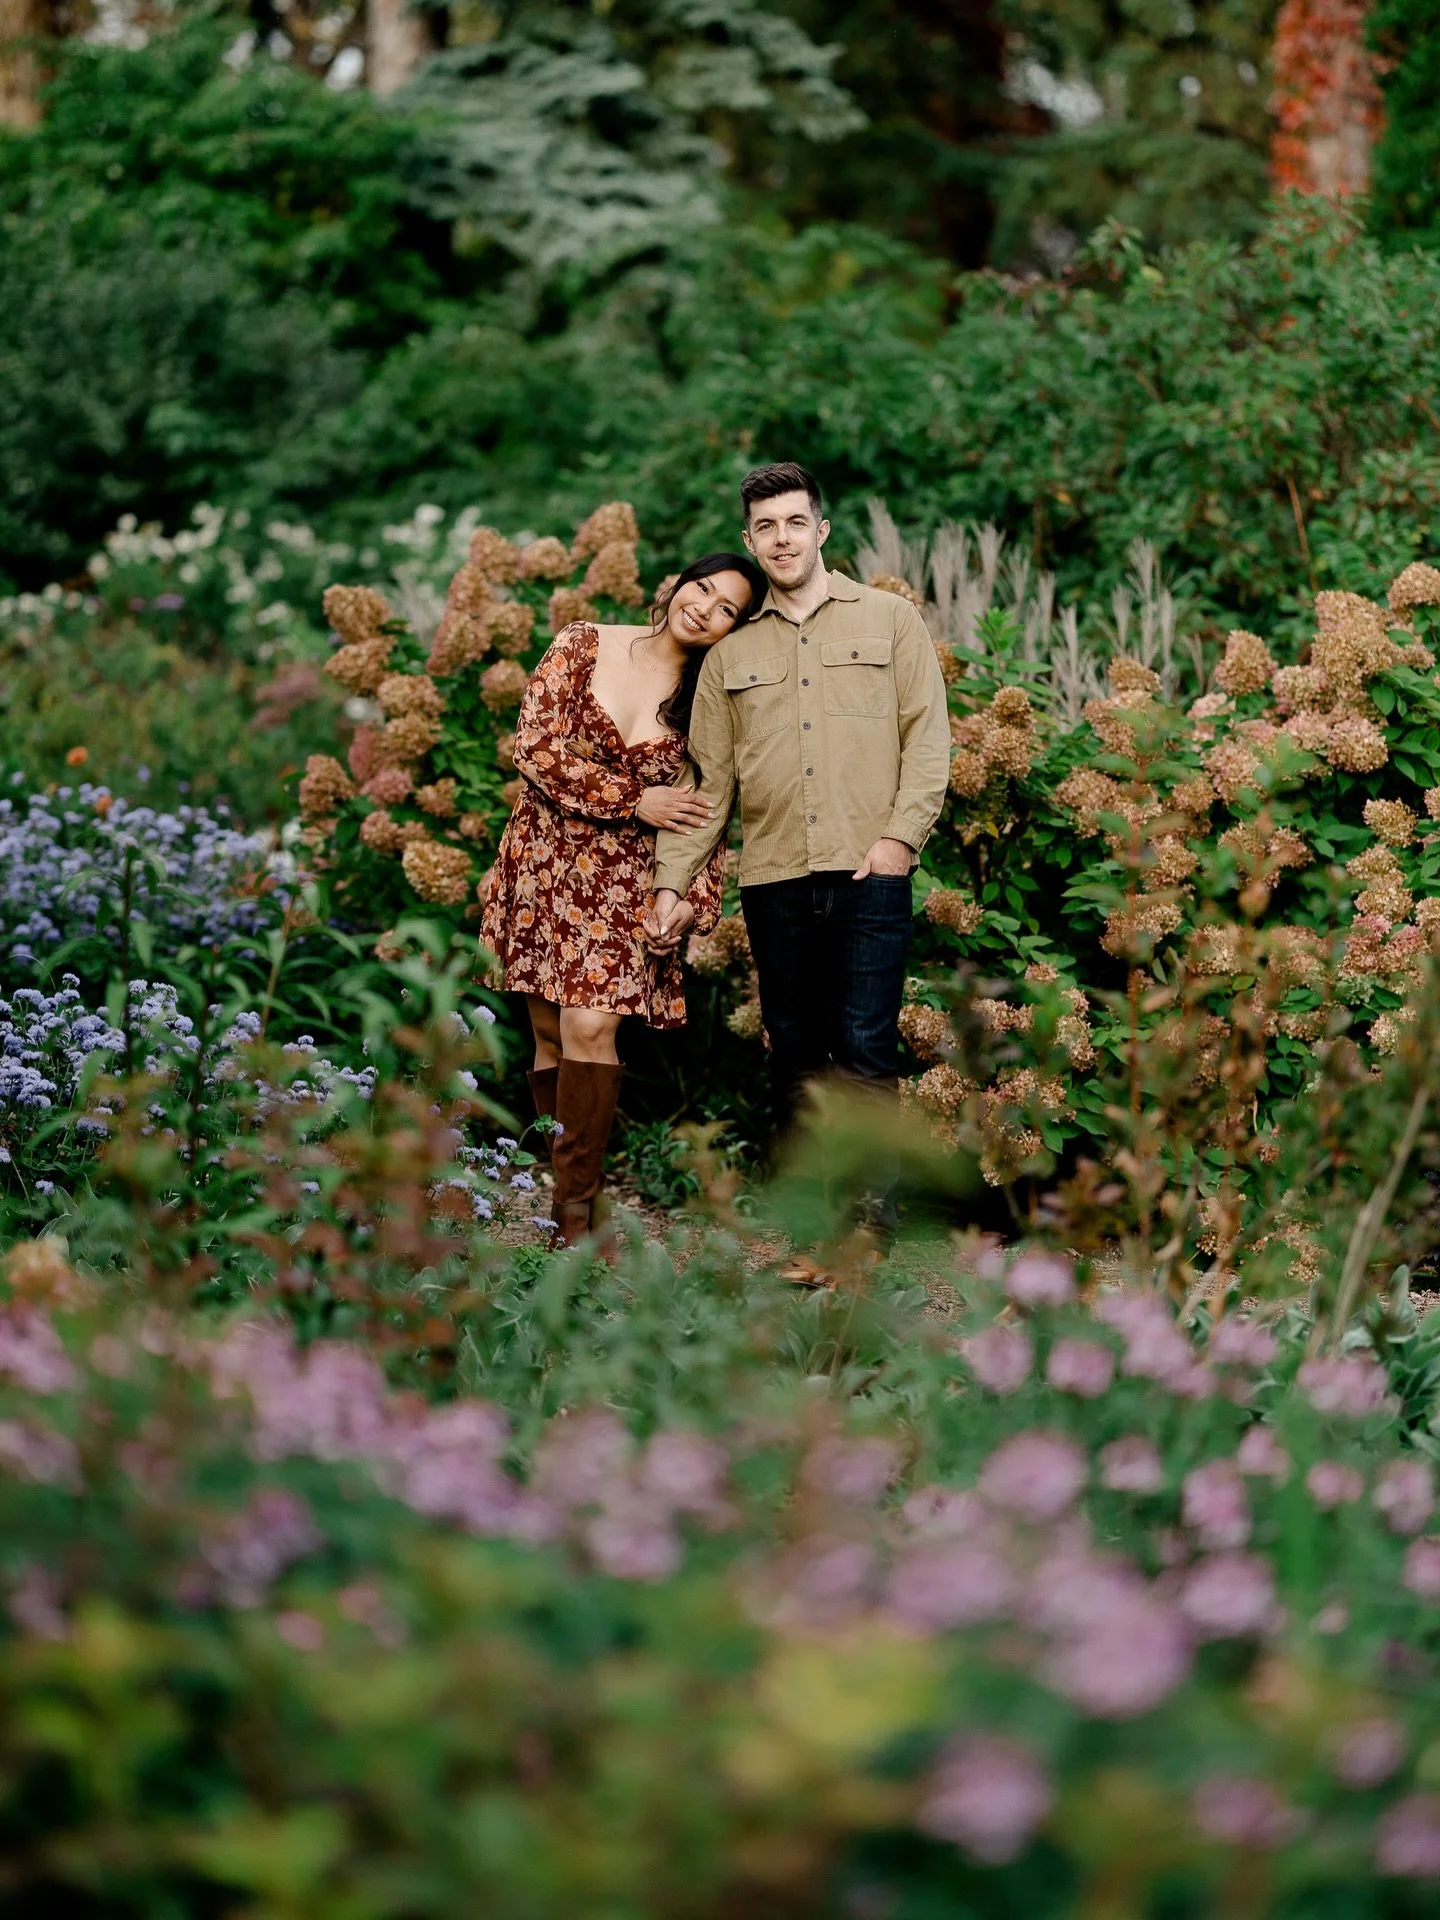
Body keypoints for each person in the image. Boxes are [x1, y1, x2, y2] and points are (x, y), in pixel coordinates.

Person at [647, 462, 951, 1135]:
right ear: (750, 541)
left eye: (794, 523)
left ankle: (871, 1202)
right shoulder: (729, 654)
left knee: (866, 1054)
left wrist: (899, 841)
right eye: (766, 527)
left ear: (821, 530)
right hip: (774, 881)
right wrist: (671, 884)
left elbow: (928, 740)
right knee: (794, 1060)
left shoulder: (891, 619)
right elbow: (706, 785)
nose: (781, 538)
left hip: (869, 872)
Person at [481, 551, 769, 1248]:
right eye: (702, 588)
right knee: (551, 1036)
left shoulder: (711, 699)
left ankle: (573, 1223)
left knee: (589, 1028)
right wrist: (634, 797)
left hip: (625, 885)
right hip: (542, 865)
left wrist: (690, 899)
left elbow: (709, 807)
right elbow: (535, 747)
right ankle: (575, 1197)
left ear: (735, 629)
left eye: (726, 609)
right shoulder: (584, 642)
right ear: (679, 584)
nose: (704, 608)